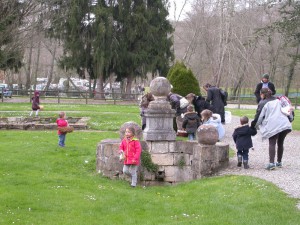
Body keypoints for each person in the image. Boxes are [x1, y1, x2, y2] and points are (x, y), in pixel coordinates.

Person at [251, 88, 292, 170]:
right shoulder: (278, 100)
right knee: (280, 142)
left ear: (263, 94)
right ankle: (279, 162)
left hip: (274, 125)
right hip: (284, 123)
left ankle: (271, 163)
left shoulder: (263, 103)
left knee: (272, 143)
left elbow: (259, 117)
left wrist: (253, 126)